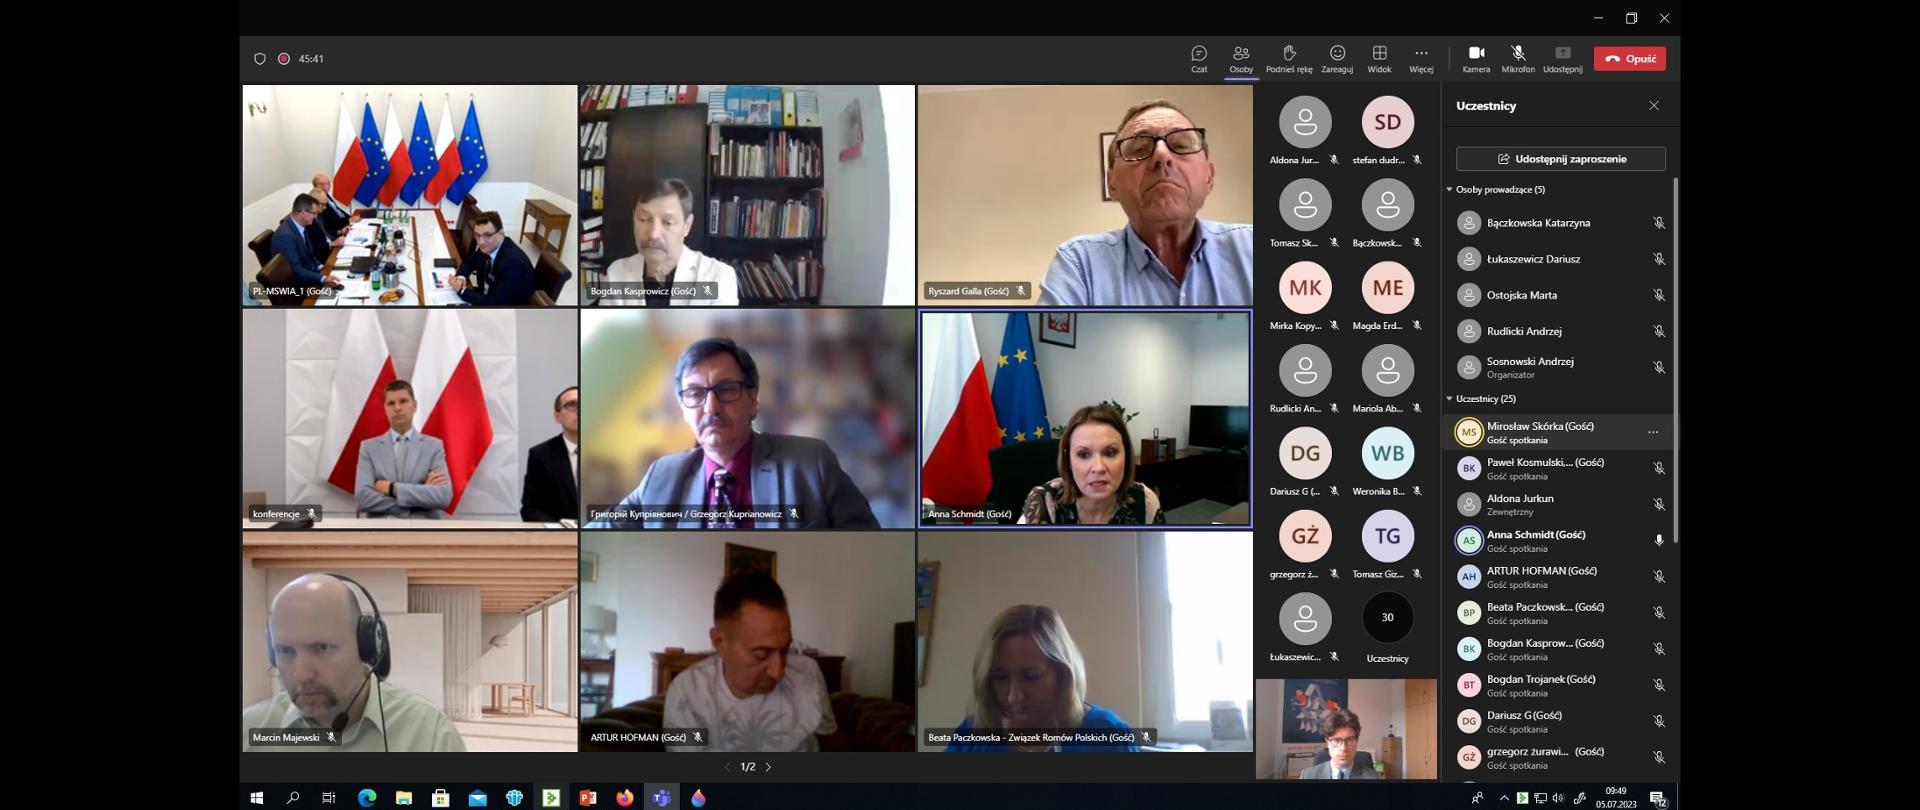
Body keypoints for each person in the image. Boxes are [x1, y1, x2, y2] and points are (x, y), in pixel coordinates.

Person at [587, 338, 878, 528]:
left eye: (725, 390)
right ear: (683, 408)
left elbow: (867, 543)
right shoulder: (662, 476)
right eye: (695, 394)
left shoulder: (811, 463)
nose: (711, 407)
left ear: (753, 399)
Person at [1039, 100, 1252, 306]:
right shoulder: (1080, 264)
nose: (1162, 155)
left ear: (1209, 177)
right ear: (1112, 183)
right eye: (1140, 149)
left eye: (1180, 145)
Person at [243, 573, 466, 752]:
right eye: (285, 651)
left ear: (366, 646)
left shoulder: (430, 734)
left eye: (321, 648)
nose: (301, 674)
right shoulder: (249, 729)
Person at [664, 572, 835, 752]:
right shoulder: (687, 692)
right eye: (761, 655)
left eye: (785, 650)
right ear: (720, 643)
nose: (778, 673)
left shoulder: (808, 672)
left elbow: (832, 740)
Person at [945, 605, 1138, 752]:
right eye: (1001, 677)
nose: (1014, 696)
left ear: (1062, 674)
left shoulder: (1108, 735)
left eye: (1031, 677)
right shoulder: (973, 733)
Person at [602, 179, 740, 307]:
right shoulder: (617, 273)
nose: (653, 234)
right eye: (644, 219)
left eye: (667, 222)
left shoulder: (718, 276)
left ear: (687, 225)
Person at [1019, 404, 1163, 524]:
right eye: (1083, 455)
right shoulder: (1043, 502)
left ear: (1126, 455)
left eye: (1110, 453)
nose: (1099, 468)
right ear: (1068, 460)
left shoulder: (1145, 502)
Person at [355, 380, 453, 518]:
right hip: (381, 529)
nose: (397, 408)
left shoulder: (434, 446)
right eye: (391, 403)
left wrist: (391, 488)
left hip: (423, 529)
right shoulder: (369, 448)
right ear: (385, 408)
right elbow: (363, 499)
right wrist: (422, 495)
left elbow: (443, 496)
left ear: (414, 406)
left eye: (403, 401)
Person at [520, 385, 580, 523]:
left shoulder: (611, 453)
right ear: (557, 417)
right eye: (572, 405)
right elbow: (530, 509)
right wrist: (560, 526)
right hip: (557, 533)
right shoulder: (541, 455)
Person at [451, 211, 535, 306]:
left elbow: (495, 303)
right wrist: (461, 278)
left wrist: (462, 291)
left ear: (501, 233)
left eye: (487, 235)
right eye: (477, 235)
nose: (481, 242)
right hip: (486, 296)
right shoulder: (489, 247)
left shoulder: (515, 264)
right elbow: (469, 262)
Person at [270, 195, 344, 289]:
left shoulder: (299, 224)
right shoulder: (286, 237)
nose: (316, 216)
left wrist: (322, 268)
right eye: (314, 213)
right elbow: (296, 271)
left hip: (310, 273)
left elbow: (310, 255)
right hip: (300, 285)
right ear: (303, 212)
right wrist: (323, 278)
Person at [1300, 709, 1380, 779]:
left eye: (1350, 740)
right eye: (1336, 740)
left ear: (1356, 742)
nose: (1343, 748)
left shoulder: (1374, 777)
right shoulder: (1307, 776)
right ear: (1327, 743)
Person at [310, 171, 359, 237]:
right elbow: (332, 223)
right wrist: (349, 220)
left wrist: (350, 218)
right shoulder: (318, 202)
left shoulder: (326, 196)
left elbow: (337, 210)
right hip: (337, 231)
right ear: (318, 186)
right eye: (327, 183)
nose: (330, 185)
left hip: (340, 230)